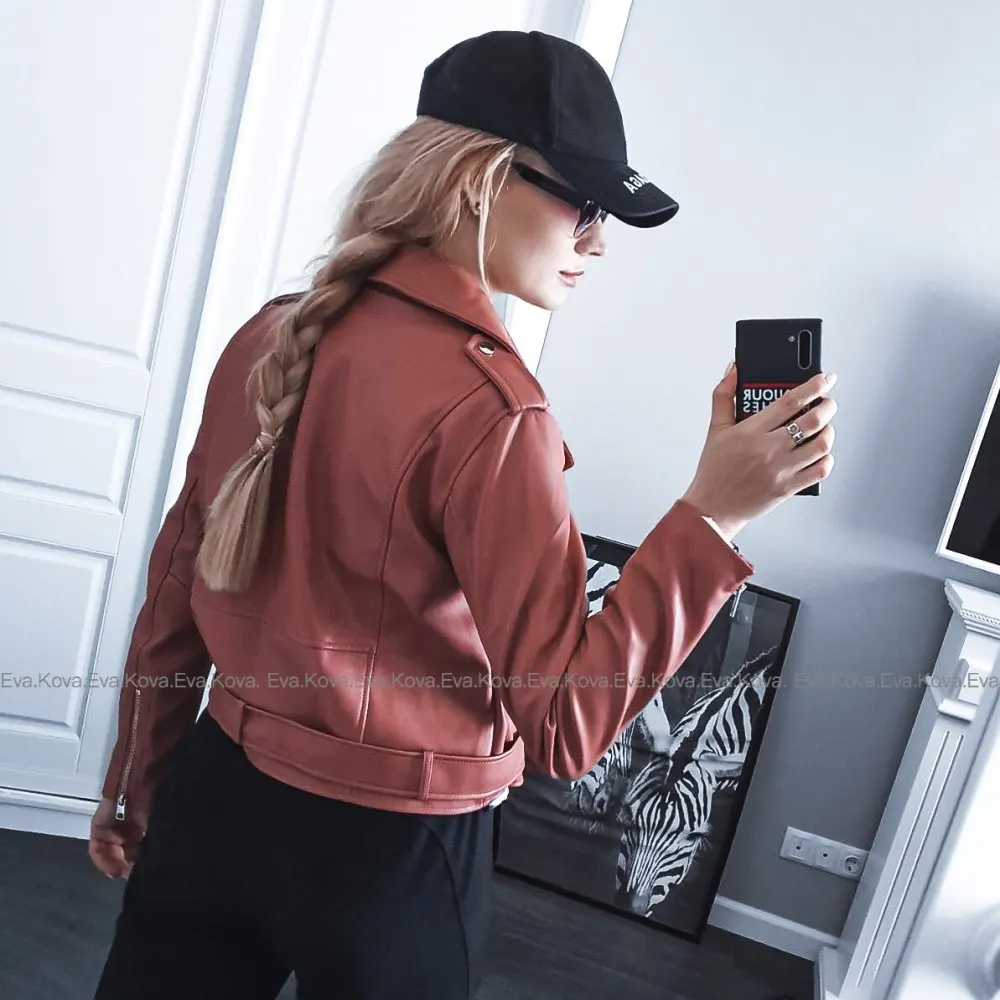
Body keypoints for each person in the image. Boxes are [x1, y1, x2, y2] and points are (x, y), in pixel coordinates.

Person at [87, 28, 837, 1000]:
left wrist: (136, 777)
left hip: (214, 797)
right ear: (482, 181)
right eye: (584, 205)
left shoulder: (269, 335)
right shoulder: (494, 414)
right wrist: (714, 517)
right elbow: (563, 725)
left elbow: (176, 586)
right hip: (389, 858)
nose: (598, 241)